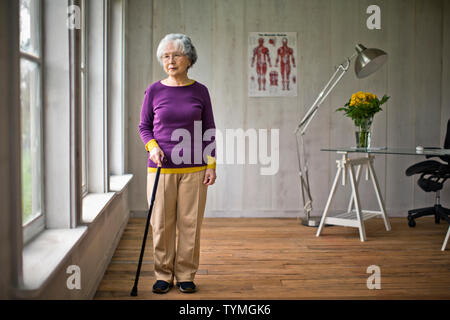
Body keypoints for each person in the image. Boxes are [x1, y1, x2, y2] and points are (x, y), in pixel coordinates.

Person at [138, 33, 216, 294]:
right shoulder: (154, 90)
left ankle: (185, 274)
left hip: (194, 169)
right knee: (160, 223)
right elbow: (144, 127)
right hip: (160, 168)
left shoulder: (200, 91)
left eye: (176, 55)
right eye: (165, 56)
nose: (170, 61)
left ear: (189, 59)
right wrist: (153, 147)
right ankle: (162, 274)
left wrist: (211, 165)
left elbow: (209, 130)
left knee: (190, 224)